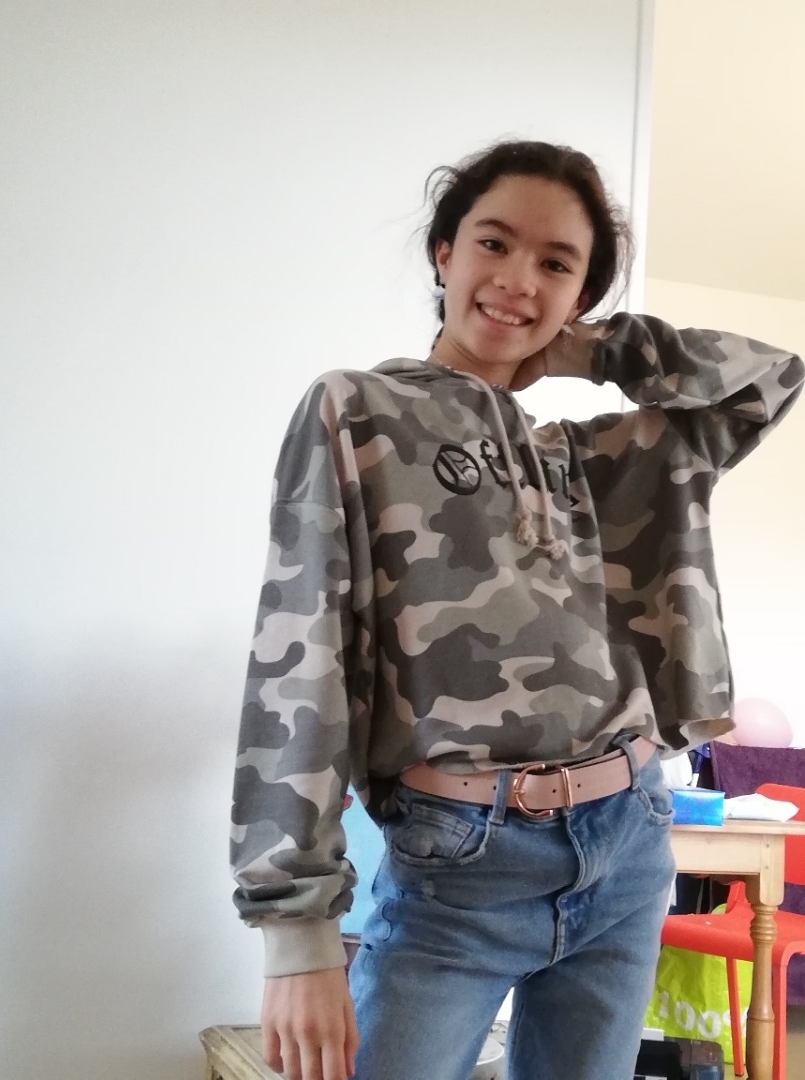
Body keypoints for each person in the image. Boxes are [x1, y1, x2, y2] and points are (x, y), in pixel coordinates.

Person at [230, 140, 803, 1080]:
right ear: (444, 252)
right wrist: (297, 936)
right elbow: (301, 656)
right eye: (493, 243)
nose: (517, 279)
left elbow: (771, 378)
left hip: (628, 842)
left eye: (555, 263)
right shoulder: (359, 411)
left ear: (581, 293)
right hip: (459, 867)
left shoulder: (599, 457)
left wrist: (589, 347)